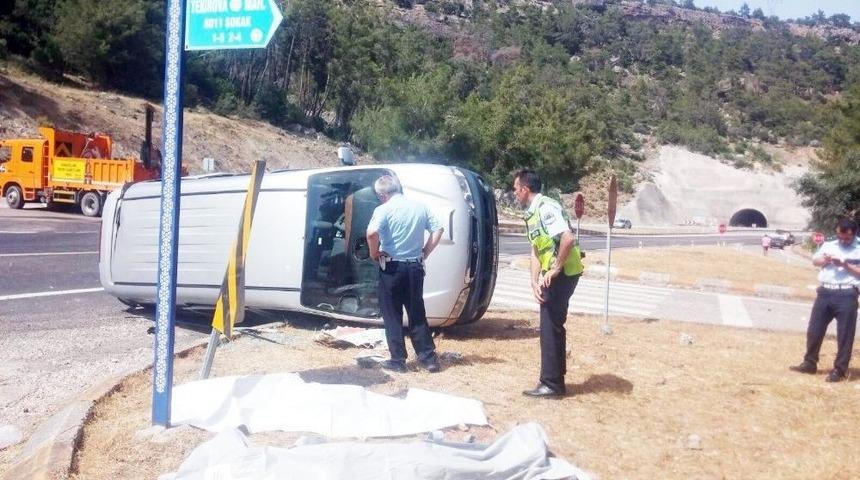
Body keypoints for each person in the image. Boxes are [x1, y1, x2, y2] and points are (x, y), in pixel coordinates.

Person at [513, 169, 584, 398]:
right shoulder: (533, 213)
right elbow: (537, 249)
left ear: (525, 189)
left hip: (562, 274)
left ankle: (552, 384)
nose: (514, 193)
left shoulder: (546, 208)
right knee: (551, 326)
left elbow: (567, 238)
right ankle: (554, 379)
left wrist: (556, 268)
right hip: (551, 275)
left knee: (550, 327)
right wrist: (533, 281)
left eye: (516, 189)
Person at [366, 175, 444, 373]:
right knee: (417, 312)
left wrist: (374, 253)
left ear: (382, 194)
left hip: (391, 267)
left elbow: (372, 233)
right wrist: (425, 252)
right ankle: (428, 358)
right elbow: (438, 229)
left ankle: (398, 360)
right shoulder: (420, 207)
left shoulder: (383, 209)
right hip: (415, 267)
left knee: (392, 314)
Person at [790, 218, 860, 382]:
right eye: (840, 237)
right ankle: (809, 363)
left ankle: (840, 370)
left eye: (847, 238)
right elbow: (815, 261)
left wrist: (845, 265)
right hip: (825, 292)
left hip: (847, 293)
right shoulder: (829, 245)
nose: (842, 241)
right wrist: (826, 260)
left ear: (854, 234)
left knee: (845, 335)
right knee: (814, 330)